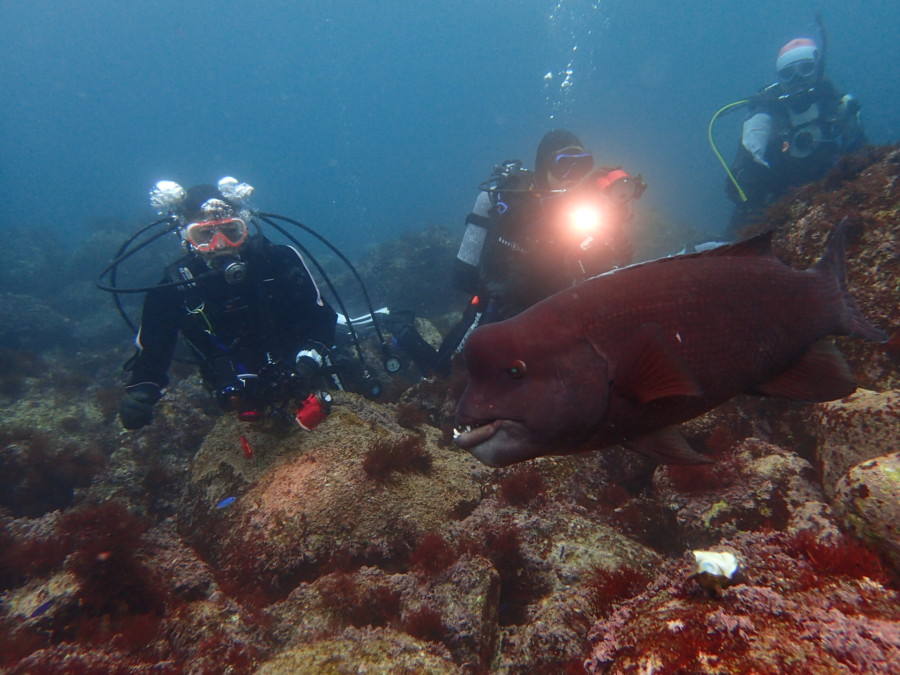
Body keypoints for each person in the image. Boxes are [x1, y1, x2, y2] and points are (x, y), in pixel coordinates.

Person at [119, 178, 340, 431]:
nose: (221, 244)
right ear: (186, 237)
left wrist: (307, 364)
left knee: (345, 345)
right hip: (235, 393)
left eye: (231, 231)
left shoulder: (279, 260)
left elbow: (322, 318)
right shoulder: (172, 289)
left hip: (301, 370)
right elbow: (154, 351)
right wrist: (143, 392)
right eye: (205, 235)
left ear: (244, 229)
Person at [432, 130, 645, 371]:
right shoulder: (515, 203)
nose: (572, 176)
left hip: (555, 317)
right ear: (544, 166)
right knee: (443, 376)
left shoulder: (582, 210)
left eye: (581, 165)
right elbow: (467, 277)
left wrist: (611, 230)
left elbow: (608, 269)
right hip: (494, 312)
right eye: (564, 165)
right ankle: (402, 329)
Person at [725, 37, 865, 237]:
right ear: (780, 77)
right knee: (729, 246)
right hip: (773, 201)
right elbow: (739, 179)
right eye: (788, 73)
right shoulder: (767, 113)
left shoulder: (835, 104)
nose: (797, 79)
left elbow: (859, 151)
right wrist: (750, 174)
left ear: (818, 68)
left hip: (828, 192)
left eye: (806, 68)